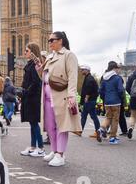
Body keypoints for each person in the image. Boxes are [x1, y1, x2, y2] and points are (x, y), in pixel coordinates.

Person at [40, 32, 81, 167]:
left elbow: (73, 77)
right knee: (50, 126)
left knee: (61, 126)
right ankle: (54, 150)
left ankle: (60, 154)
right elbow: (44, 77)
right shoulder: (50, 56)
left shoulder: (69, 55)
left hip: (61, 96)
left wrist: (71, 95)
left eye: (52, 40)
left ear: (61, 41)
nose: (50, 42)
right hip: (47, 97)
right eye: (49, 40)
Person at [20, 43, 45, 157]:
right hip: (29, 97)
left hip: (33, 97)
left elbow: (36, 82)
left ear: (32, 52)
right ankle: (33, 146)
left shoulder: (36, 64)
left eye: (27, 50)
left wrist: (26, 91)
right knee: (31, 122)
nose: (25, 52)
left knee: (34, 123)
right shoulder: (30, 64)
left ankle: (40, 148)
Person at [97, 61, 125, 145]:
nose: (118, 70)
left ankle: (102, 129)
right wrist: (120, 98)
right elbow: (121, 90)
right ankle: (112, 138)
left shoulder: (104, 78)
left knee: (108, 117)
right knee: (115, 120)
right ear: (114, 68)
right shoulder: (117, 78)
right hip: (116, 102)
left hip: (107, 102)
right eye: (117, 68)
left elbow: (101, 90)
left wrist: (104, 98)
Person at [79, 65, 100, 138]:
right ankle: (97, 131)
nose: (81, 71)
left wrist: (86, 97)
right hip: (90, 100)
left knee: (89, 116)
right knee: (86, 116)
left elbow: (89, 88)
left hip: (89, 101)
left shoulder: (89, 79)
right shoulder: (88, 77)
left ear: (87, 70)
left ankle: (98, 131)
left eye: (82, 70)